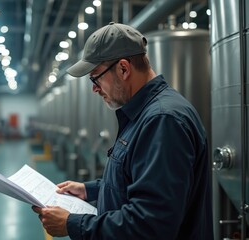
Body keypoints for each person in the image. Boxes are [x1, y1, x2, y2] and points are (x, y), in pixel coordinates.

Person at [32, 22, 213, 239]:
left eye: (95, 77)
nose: (94, 88)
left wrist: (73, 224)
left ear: (124, 68)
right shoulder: (143, 115)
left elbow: (150, 225)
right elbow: (138, 181)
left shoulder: (162, 121)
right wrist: (90, 190)